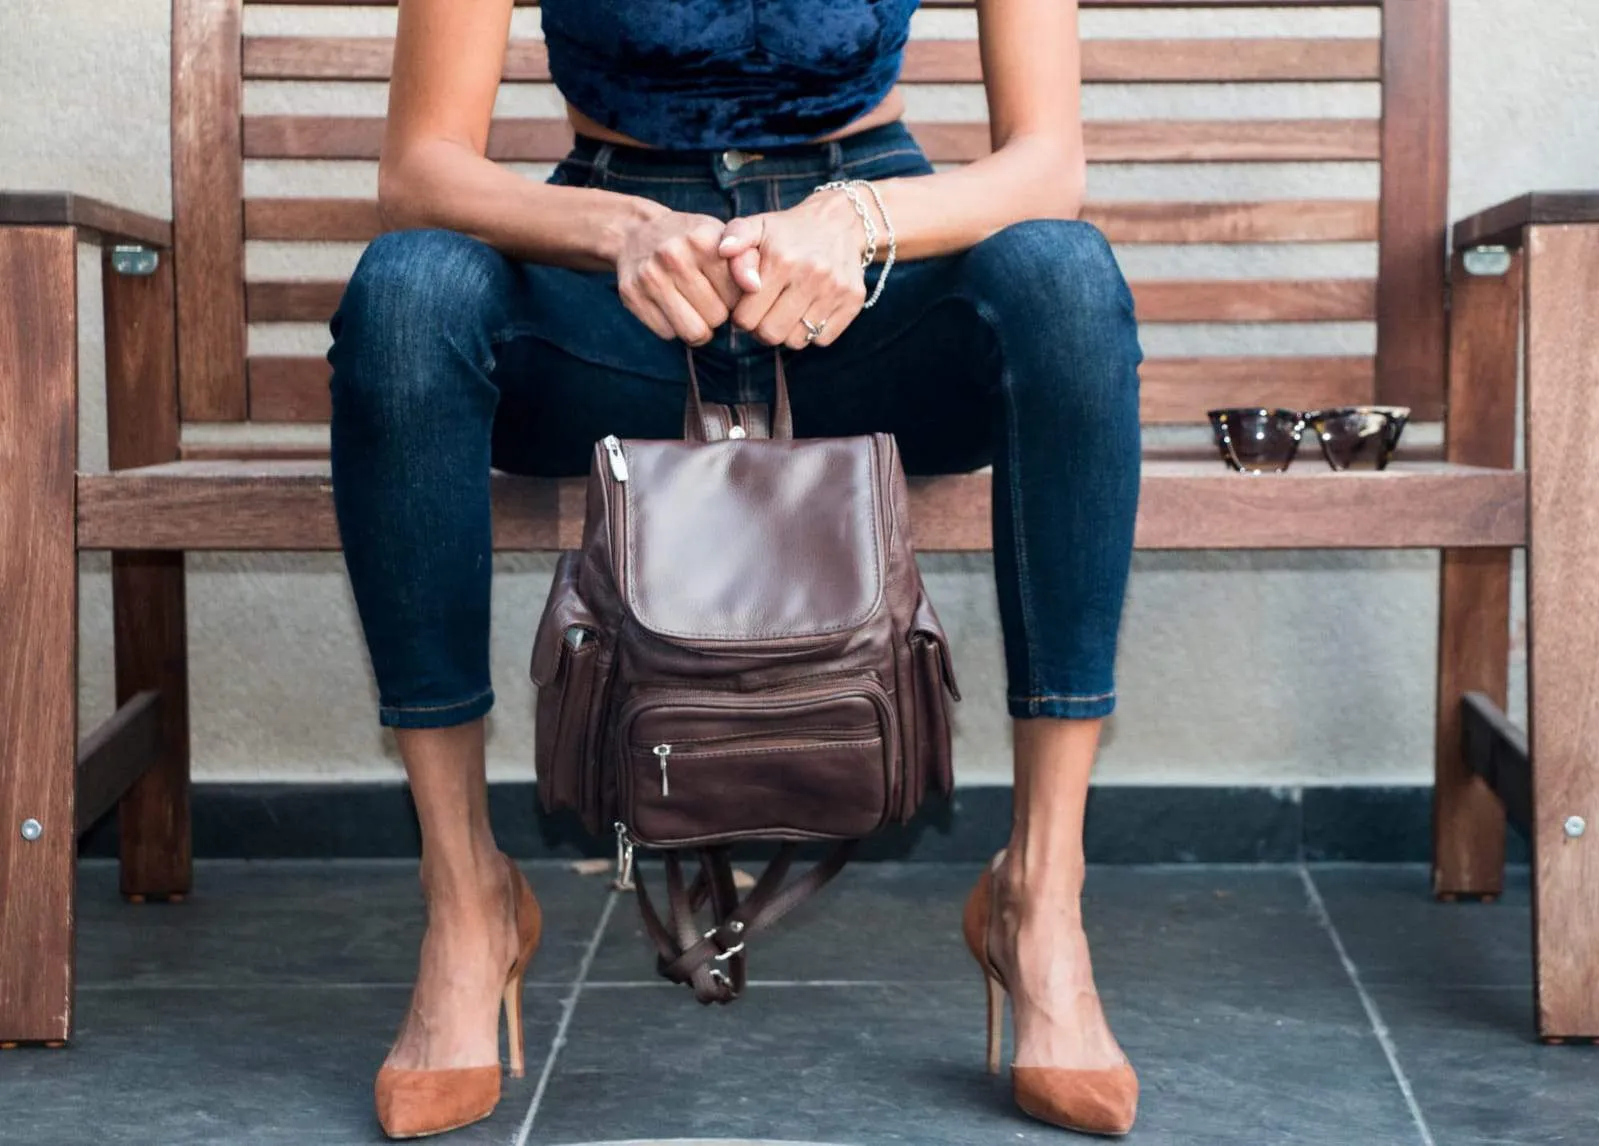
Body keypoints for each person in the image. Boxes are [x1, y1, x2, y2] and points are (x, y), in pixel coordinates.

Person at [329, 0, 1143, 1137]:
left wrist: (858, 220)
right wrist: (616, 231)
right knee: (408, 295)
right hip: (614, 287)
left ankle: (1039, 896)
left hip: (865, 275)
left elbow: (1047, 165)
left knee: (1062, 276)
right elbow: (419, 172)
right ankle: (465, 897)